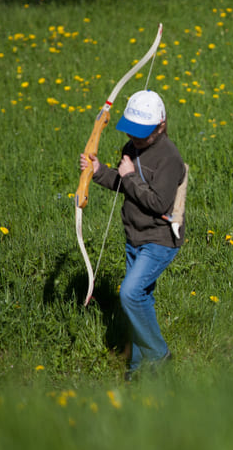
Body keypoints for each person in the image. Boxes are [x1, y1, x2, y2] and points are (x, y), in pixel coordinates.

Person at [79, 90, 187, 380]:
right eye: (133, 132)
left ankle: (158, 354)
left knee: (129, 294)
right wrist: (99, 171)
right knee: (141, 299)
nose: (136, 139)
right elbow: (126, 185)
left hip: (160, 239)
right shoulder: (132, 146)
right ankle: (140, 370)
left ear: (161, 125)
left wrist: (128, 176)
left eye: (143, 133)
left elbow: (157, 203)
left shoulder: (170, 158)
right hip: (134, 237)